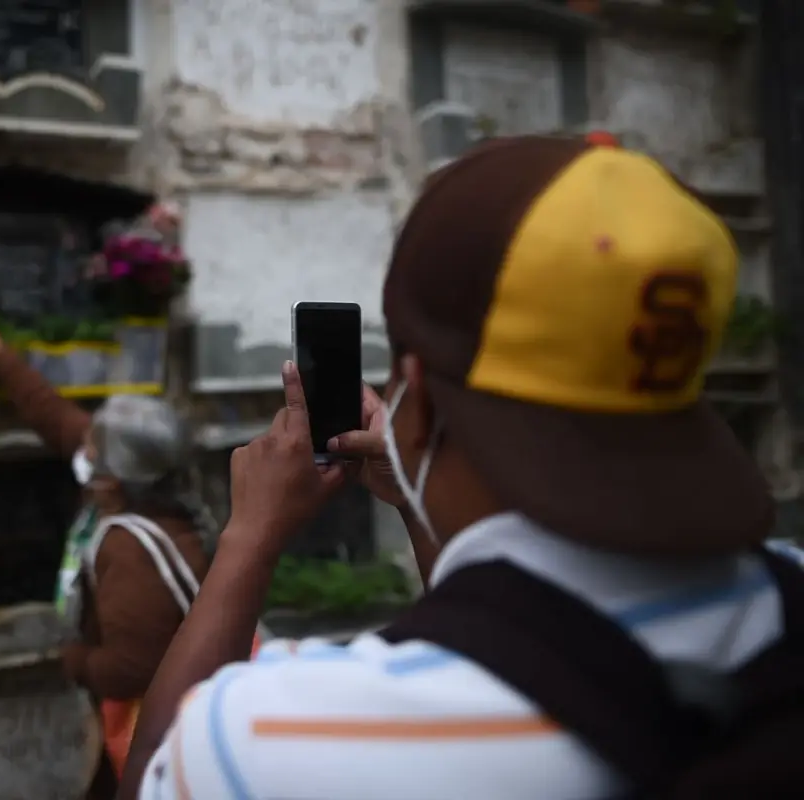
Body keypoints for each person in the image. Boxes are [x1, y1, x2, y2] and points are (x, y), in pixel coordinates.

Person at [118, 134, 804, 799]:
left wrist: (251, 535)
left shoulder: (276, 737)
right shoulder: (789, 592)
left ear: (417, 393)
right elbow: (502, 620)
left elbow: (158, 772)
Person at [0, 291, 212, 799]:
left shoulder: (132, 548)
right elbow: (52, 413)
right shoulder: (140, 490)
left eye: (93, 446)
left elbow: (130, 669)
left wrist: (74, 660)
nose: (81, 446)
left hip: (152, 722)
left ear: (115, 475)